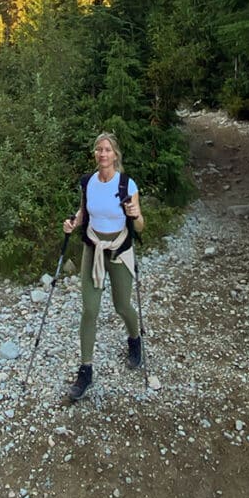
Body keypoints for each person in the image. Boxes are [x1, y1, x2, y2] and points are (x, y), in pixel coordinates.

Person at [62, 132, 145, 400]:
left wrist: (135, 215)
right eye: (98, 149)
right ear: (95, 154)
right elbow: (84, 211)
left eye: (107, 149)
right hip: (93, 248)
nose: (102, 154)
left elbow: (140, 224)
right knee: (90, 309)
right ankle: (85, 371)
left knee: (122, 306)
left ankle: (135, 340)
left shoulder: (126, 185)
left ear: (115, 154)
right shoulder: (88, 182)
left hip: (120, 249)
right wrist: (73, 223)